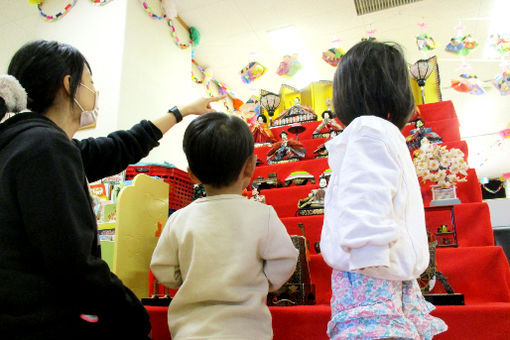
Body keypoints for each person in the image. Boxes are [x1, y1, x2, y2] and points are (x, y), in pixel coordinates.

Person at [0, 40, 222, 340]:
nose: (95, 92)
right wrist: (133, 314)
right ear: (69, 85)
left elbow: (119, 147)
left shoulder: (26, 144)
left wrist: (181, 111)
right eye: (90, 83)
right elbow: (73, 264)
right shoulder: (45, 148)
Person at [319, 41, 447, 340]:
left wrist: (371, 259)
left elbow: (368, 197)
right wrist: (372, 258)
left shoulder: (369, 131)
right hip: (378, 269)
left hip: (374, 269)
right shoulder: (377, 132)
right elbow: (368, 197)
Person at [150, 112, 298, 340]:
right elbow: (285, 259)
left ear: (191, 174)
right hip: (249, 332)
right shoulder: (263, 215)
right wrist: (263, 282)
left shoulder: (179, 219)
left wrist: (187, 278)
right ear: (250, 167)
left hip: (190, 332)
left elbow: (163, 268)